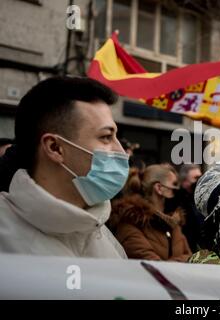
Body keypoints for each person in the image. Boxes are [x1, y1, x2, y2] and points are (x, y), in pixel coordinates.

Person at [0, 76, 128, 258]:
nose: (121, 151)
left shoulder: (100, 232)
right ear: (55, 147)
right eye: (106, 137)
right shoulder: (7, 241)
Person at [109, 164, 192, 261]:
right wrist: (180, 262)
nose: (177, 190)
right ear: (159, 188)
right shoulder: (131, 221)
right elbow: (153, 265)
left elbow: (191, 258)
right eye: (174, 185)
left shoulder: (173, 225)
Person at [175, 164, 205, 252]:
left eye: (200, 177)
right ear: (184, 181)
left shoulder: (201, 198)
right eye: (196, 178)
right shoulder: (176, 201)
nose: (199, 181)